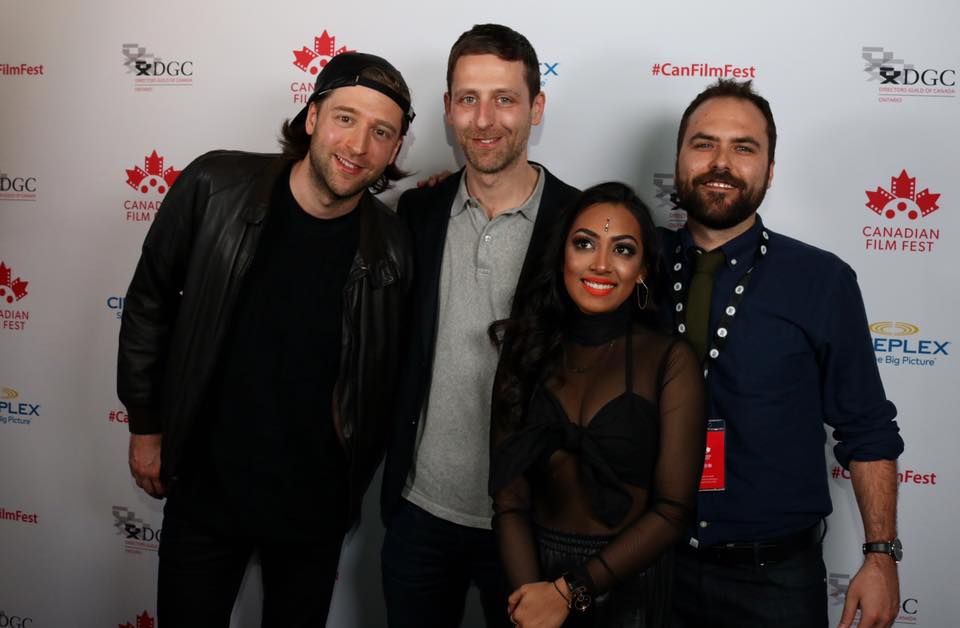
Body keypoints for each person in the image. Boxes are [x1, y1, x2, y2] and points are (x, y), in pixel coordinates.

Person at [117, 51, 415, 626]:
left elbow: (383, 375)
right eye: (345, 118)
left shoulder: (394, 246)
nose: (358, 146)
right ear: (312, 117)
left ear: (395, 149)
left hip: (313, 509)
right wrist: (146, 423)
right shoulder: (214, 186)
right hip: (205, 490)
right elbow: (149, 303)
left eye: (382, 132)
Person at [662, 79, 904, 628]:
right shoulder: (630, 265)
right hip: (650, 566)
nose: (720, 163)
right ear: (677, 160)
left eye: (743, 148)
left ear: (769, 170)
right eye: (703, 143)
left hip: (773, 582)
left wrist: (880, 556)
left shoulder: (822, 280)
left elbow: (867, 428)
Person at [379, 23, 579, 628]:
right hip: (419, 512)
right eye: (468, 99)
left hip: (534, 523)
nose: (485, 119)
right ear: (448, 108)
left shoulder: (579, 223)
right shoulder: (417, 211)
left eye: (505, 99)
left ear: (536, 107)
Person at [488, 182, 707, 627]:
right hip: (532, 579)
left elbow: (673, 510)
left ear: (642, 270)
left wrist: (568, 592)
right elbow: (509, 502)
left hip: (630, 583)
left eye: (623, 250)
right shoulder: (525, 351)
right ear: (562, 257)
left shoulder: (670, 360)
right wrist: (532, 600)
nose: (601, 264)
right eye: (585, 244)